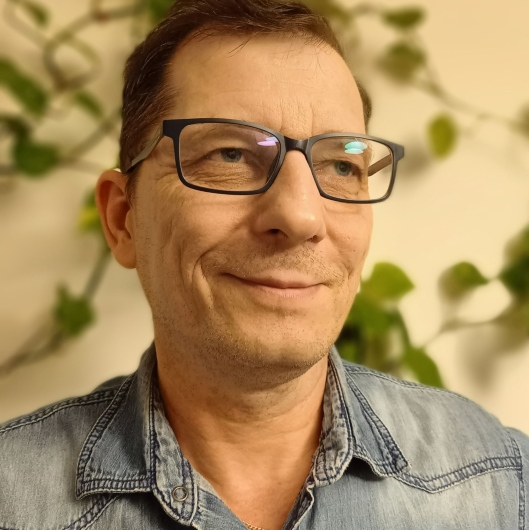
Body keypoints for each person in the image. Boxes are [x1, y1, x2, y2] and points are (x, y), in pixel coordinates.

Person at [1, 0, 528, 528]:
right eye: (229, 155)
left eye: (341, 165)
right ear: (123, 219)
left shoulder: (503, 486)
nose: (300, 216)